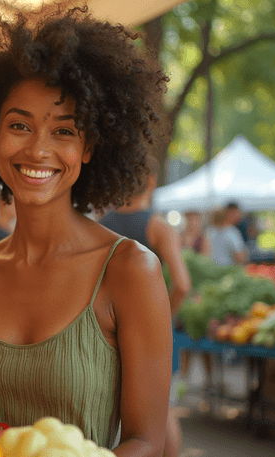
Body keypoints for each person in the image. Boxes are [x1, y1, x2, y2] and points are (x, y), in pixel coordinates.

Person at [0, 2, 173, 454]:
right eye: (19, 125)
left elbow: (146, 440)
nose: (39, 149)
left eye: (63, 131)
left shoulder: (130, 270)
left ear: (89, 147)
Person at [99, 154, 190, 457]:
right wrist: (164, 319)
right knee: (162, 415)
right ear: (151, 181)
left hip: (108, 334)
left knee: (123, 421)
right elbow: (183, 284)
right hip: (151, 336)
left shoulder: (102, 225)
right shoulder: (158, 226)